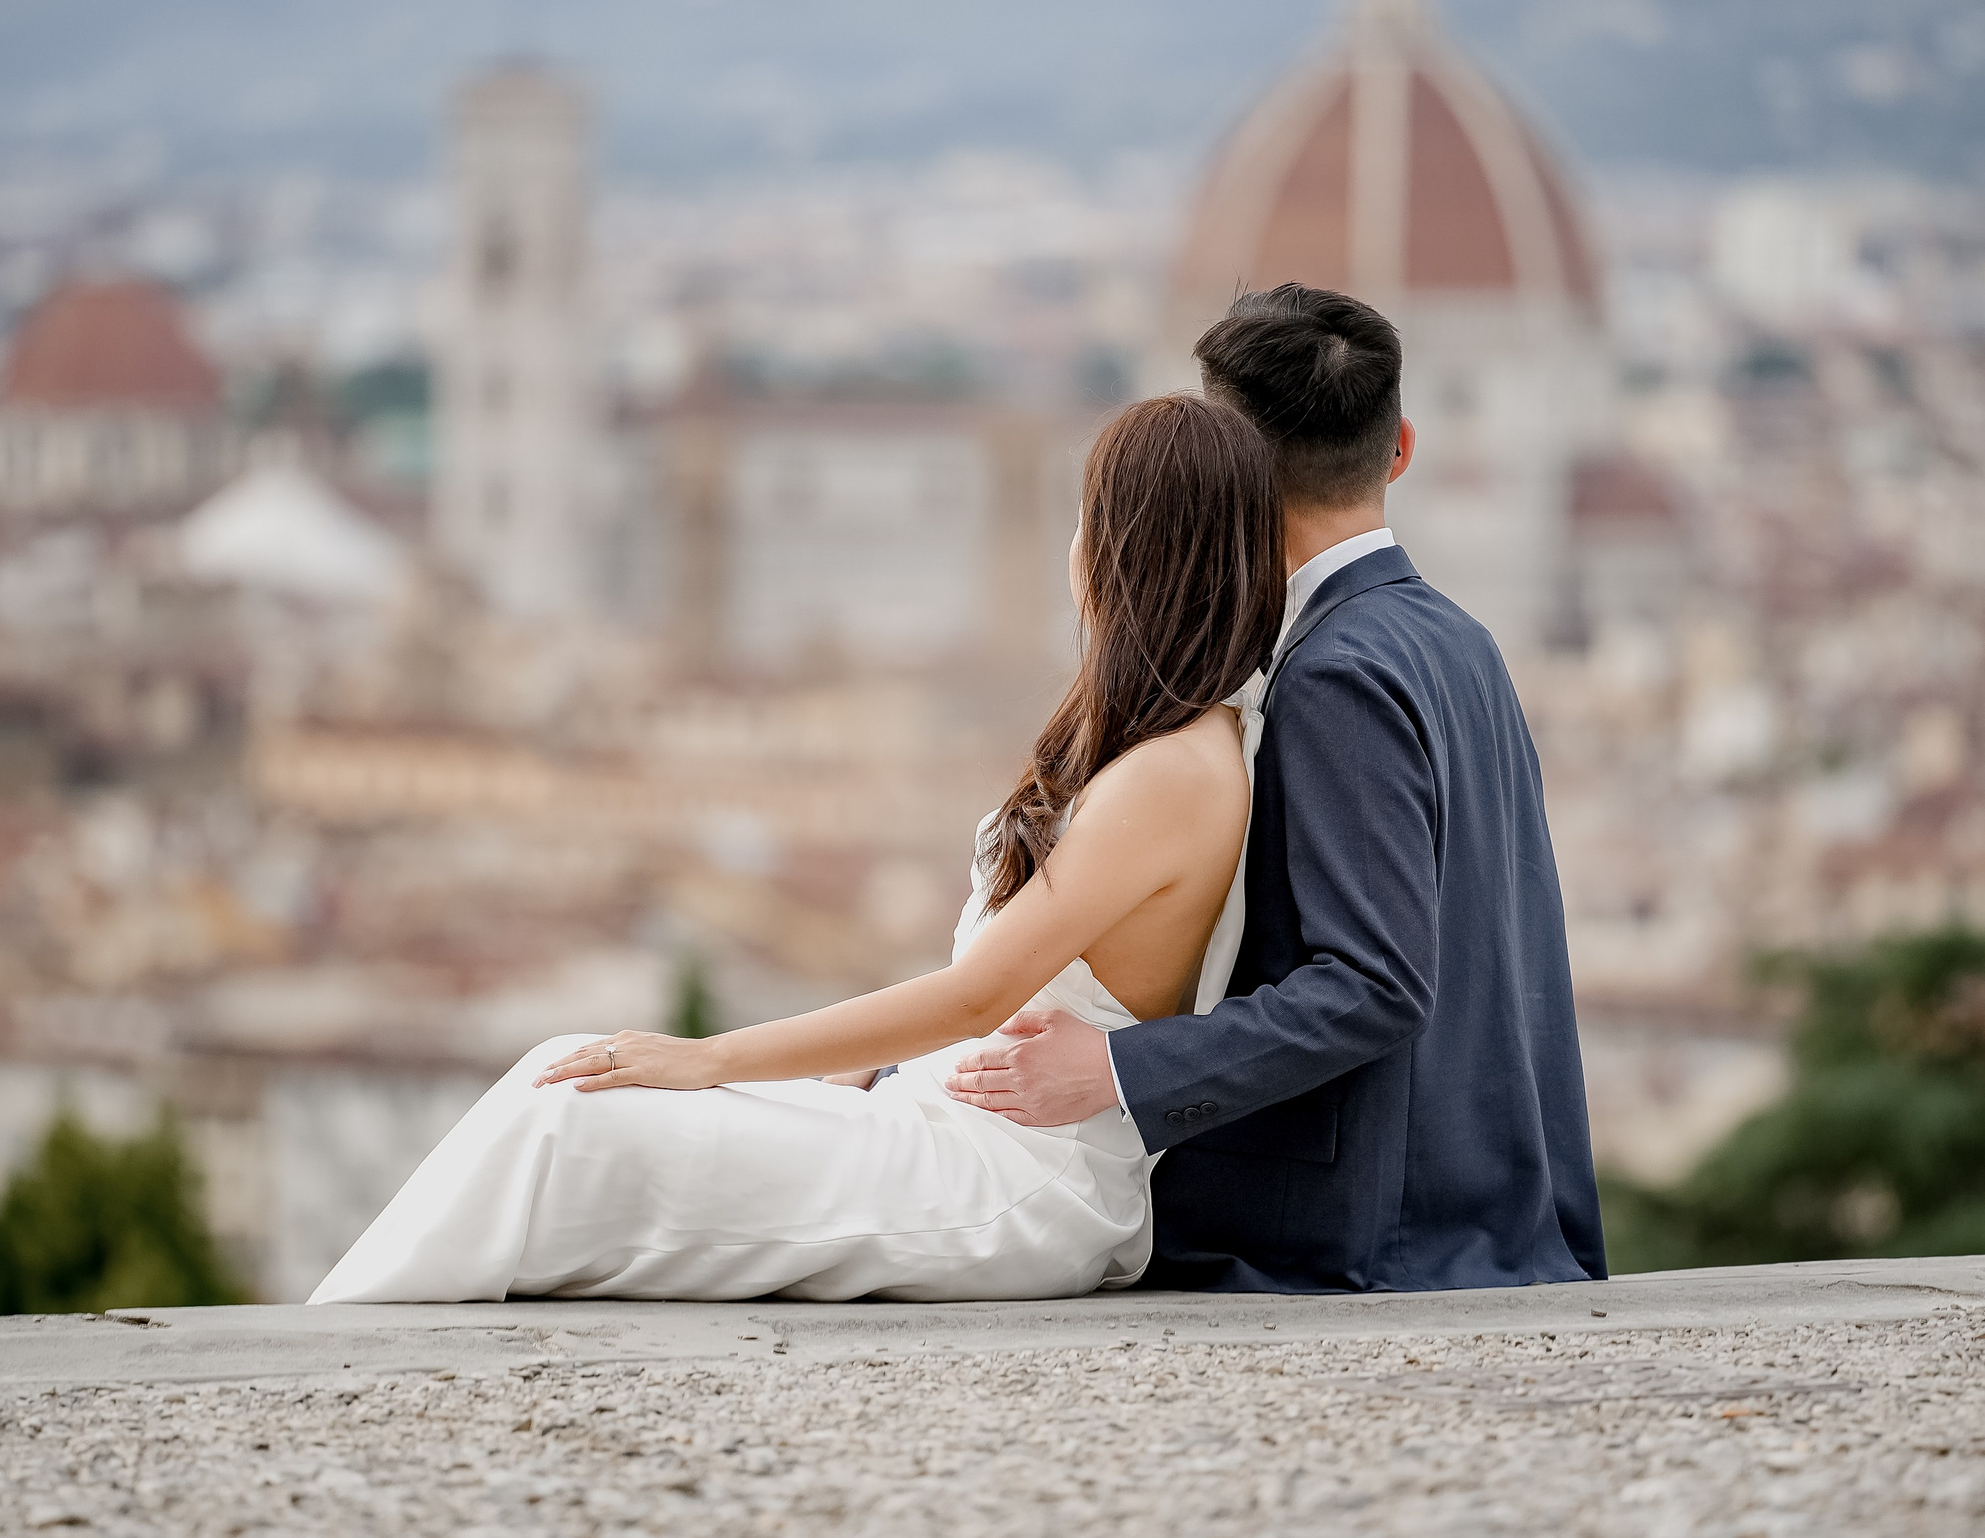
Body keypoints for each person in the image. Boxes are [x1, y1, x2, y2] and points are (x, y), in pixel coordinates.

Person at [309, 392, 1283, 1304]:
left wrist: (711, 1059)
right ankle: (333, 1343)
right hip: (957, 1130)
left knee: (568, 1125)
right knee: (565, 1070)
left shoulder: (1173, 774)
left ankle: (324, 1362)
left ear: (1126, 552)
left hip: (1011, 1181)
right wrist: (873, 1067)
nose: (1073, 547)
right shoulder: (1167, 747)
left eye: (1088, 519)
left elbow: (978, 994)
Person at [944, 283, 1608, 1293]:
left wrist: (1118, 1072)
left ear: (1230, 473)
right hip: (1485, 1201)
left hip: (1363, 1230)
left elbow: (1375, 983)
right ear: (1400, 448)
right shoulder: (1458, 641)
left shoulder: (1335, 673)